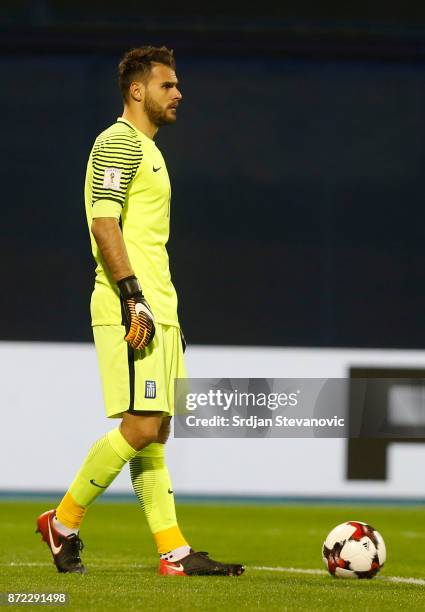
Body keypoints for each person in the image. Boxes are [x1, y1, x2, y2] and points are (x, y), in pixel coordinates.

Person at [36, 45, 244, 577]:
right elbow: (103, 223)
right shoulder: (117, 142)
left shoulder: (151, 150)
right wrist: (132, 297)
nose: (179, 93)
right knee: (143, 422)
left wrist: (164, 313)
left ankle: (173, 552)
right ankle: (63, 521)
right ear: (137, 90)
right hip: (132, 304)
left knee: (158, 428)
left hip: (161, 307)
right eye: (168, 85)